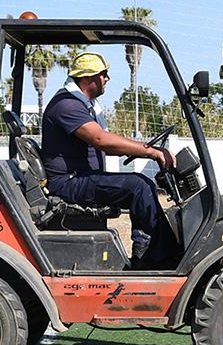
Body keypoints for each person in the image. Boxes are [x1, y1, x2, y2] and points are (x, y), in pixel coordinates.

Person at [40, 51, 180, 268]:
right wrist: (151, 151)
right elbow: (101, 140)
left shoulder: (84, 105)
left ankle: (152, 250)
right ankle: (162, 258)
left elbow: (108, 145)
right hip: (68, 183)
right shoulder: (67, 105)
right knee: (138, 186)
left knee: (139, 185)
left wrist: (142, 149)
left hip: (80, 178)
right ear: (88, 78)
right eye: (103, 74)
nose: (107, 79)